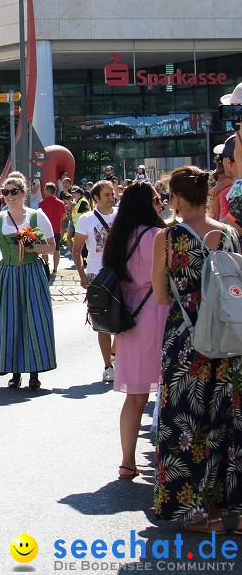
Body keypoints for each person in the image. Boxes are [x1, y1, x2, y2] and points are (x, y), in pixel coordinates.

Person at [151, 166, 242, 532]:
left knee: (187, 424)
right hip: (232, 341)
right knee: (230, 424)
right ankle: (235, 511)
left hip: (188, 343)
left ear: (174, 198)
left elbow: (160, 295)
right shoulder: (231, 235)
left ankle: (199, 515)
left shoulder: (168, 239)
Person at [99, 182, 168, 481]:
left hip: (126, 317)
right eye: (156, 199)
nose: (160, 203)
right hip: (155, 312)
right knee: (165, 392)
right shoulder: (156, 236)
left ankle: (127, 461)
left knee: (135, 397)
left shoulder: (118, 236)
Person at [0, 172, 56, 388]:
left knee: (35, 319)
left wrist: (34, 247)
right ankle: (14, 371)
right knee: (10, 320)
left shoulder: (37, 216)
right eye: (5, 192)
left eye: (14, 192)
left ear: (23, 193)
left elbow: (52, 247)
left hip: (32, 272)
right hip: (9, 274)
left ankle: (34, 372)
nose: (9, 196)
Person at [74, 180, 118, 383]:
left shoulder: (120, 215)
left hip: (119, 273)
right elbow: (76, 250)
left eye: (112, 194)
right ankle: (108, 366)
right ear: (96, 198)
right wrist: (82, 274)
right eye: (107, 195)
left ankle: (115, 354)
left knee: (122, 319)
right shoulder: (86, 219)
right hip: (96, 273)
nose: (111, 198)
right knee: (101, 322)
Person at [38, 182, 66, 276]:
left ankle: (46, 267)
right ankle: (55, 269)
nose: (44, 190)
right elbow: (64, 216)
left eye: (45, 189)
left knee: (44, 250)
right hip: (56, 229)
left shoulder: (42, 203)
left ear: (49, 191)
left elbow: (39, 216)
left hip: (44, 230)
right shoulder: (61, 203)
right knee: (56, 250)